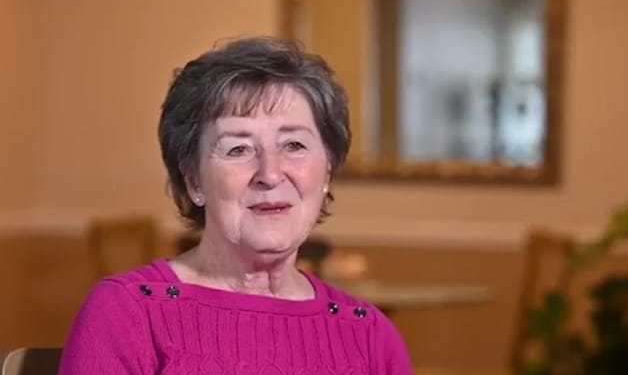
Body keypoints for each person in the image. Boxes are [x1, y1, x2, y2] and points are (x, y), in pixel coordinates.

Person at [59, 36, 414, 374]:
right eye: (238, 149)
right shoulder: (128, 313)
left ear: (327, 172)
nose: (270, 174)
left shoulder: (369, 335)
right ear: (194, 180)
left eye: (293, 145)